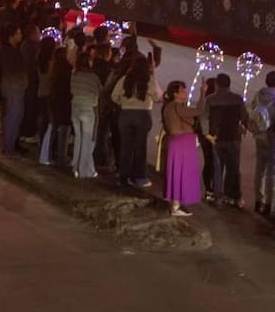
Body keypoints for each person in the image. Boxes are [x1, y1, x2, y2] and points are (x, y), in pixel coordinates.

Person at [111, 54, 160, 188]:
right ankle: (138, 177)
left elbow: (114, 96)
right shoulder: (148, 80)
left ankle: (123, 176)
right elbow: (158, 97)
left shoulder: (125, 78)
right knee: (140, 147)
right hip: (143, 115)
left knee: (126, 147)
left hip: (126, 114)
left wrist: (123, 103)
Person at [200, 72, 248, 207]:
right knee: (234, 168)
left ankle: (218, 197)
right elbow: (244, 118)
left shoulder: (210, 99)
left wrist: (206, 134)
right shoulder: (238, 99)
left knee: (217, 168)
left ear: (217, 84)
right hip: (234, 137)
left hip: (217, 138)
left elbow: (203, 118)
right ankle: (233, 196)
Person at [247, 70, 275, 216]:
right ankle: (269, 203)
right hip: (274, 135)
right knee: (273, 170)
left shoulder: (259, 93)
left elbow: (252, 110)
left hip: (260, 133)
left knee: (260, 167)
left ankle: (258, 200)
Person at [161, 80, 203, 216]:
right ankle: (176, 206)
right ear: (175, 94)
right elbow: (199, 111)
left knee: (176, 173)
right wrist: (203, 92)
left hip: (176, 142)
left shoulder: (168, 107)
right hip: (183, 143)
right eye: (183, 90)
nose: (185, 92)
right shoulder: (178, 107)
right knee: (182, 174)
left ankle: (176, 204)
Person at [69, 49, 101, 178]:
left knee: (78, 138)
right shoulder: (93, 77)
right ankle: (84, 171)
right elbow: (99, 92)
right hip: (88, 109)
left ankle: (75, 166)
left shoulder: (74, 75)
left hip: (75, 107)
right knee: (87, 140)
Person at [0, 23, 27, 155]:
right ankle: (8, 147)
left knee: (16, 116)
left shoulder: (11, 49)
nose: (20, 35)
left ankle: (11, 144)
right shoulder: (8, 51)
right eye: (18, 33)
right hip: (13, 87)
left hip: (14, 86)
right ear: (11, 36)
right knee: (13, 117)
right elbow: (11, 70)